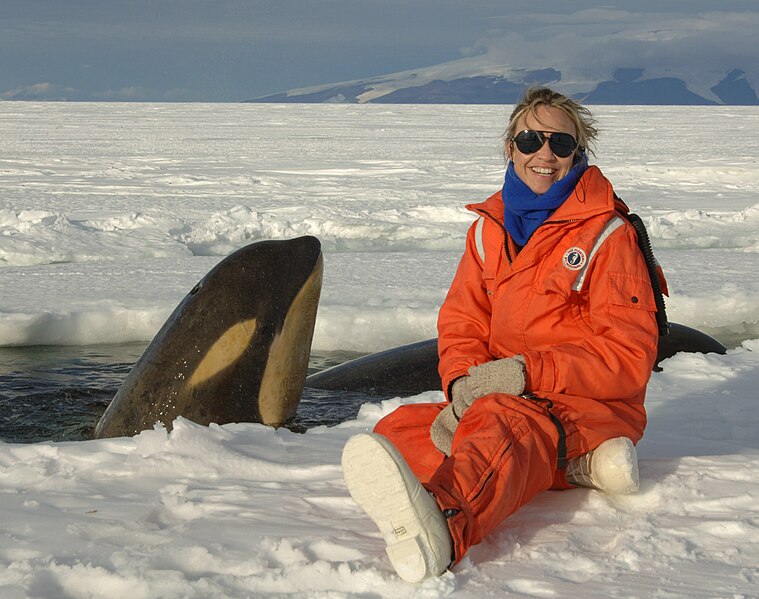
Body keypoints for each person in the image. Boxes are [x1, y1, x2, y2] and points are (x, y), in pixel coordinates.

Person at [341, 87, 664, 583]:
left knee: (502, 425)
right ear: (510, 147)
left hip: (586, 404)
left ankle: (443, 527)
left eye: (560, 143)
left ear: (578, 153)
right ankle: (574, 467)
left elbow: (628, 354)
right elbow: (461, 322)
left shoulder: (607, 235)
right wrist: (464, 386)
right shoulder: (488, 232)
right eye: (531, 139)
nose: (545, 155)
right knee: (400, 432)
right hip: (505, 397)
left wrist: (525, 373)